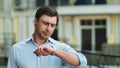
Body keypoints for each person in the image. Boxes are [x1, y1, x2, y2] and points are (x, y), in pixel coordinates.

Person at [7, 6, 87, 68]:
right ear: (36, 21)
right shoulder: (16, 49)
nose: (48, 29)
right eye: (45, 23)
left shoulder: (59, 48)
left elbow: (82, 62)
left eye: (52, 25)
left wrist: (54, 52)